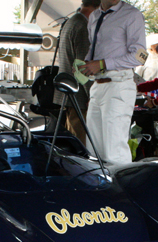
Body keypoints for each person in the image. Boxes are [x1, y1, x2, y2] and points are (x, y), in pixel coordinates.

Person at [78, 0, 146, 165]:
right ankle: (100, 187)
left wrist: (102, 64)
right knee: (94, 149)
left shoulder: (132, 15)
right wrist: (86, 64)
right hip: (98, 85)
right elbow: (95, 48)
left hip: (119, 84)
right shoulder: (94, 16)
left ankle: (121, 189)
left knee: (114, 150)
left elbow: (140, 56)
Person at [52, 0, 101, 145]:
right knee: (81, 143)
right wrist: (92, 95)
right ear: (97, 8)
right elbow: (83, 67)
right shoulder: (83, 27)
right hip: (79, 95)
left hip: (69, 91)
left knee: (72, 139)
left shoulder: (71, 21)